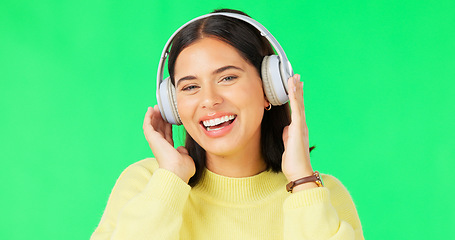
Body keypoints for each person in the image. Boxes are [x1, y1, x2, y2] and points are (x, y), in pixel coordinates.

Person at [91, 8, 364, 240]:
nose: (209, 100)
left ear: (269, 88)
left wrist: (302, 181)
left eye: (228, 78)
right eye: (190, 86)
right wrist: (171, 179)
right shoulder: (146, 184)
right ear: (173, 105)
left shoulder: (321, 195)